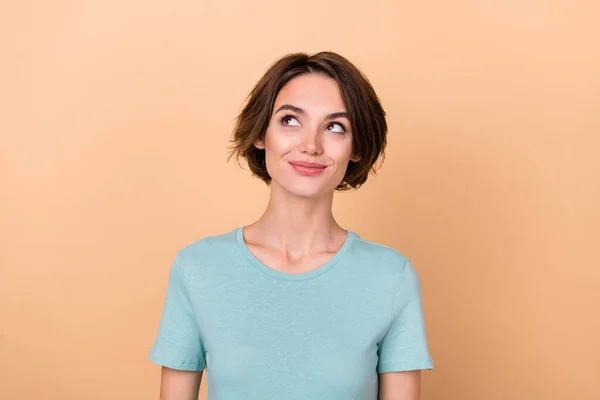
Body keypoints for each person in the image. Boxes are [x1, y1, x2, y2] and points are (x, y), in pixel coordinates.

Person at [149, 51, 434, 400]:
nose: (310, 146)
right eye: (290, 121)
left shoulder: (391, 277)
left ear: (355, 148)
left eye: (334, 127)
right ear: (260, 134)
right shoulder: (197, 269)